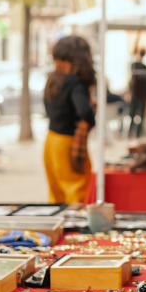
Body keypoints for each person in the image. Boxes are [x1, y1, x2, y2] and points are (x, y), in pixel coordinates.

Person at [44, 36, 96, 203]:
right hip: (68, 143)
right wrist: (91, 120)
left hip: (51, 140)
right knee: (77, 191)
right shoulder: (75, 82)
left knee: (56, 195)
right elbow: (84, 110)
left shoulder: (53, 78)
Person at [128, 48, 146, 139]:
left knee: (136, 115)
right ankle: (135, 133)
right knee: (136, 115)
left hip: (139, 95)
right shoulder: (135, 65)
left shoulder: (136, 66)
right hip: (138, 95)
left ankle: (135, 133)